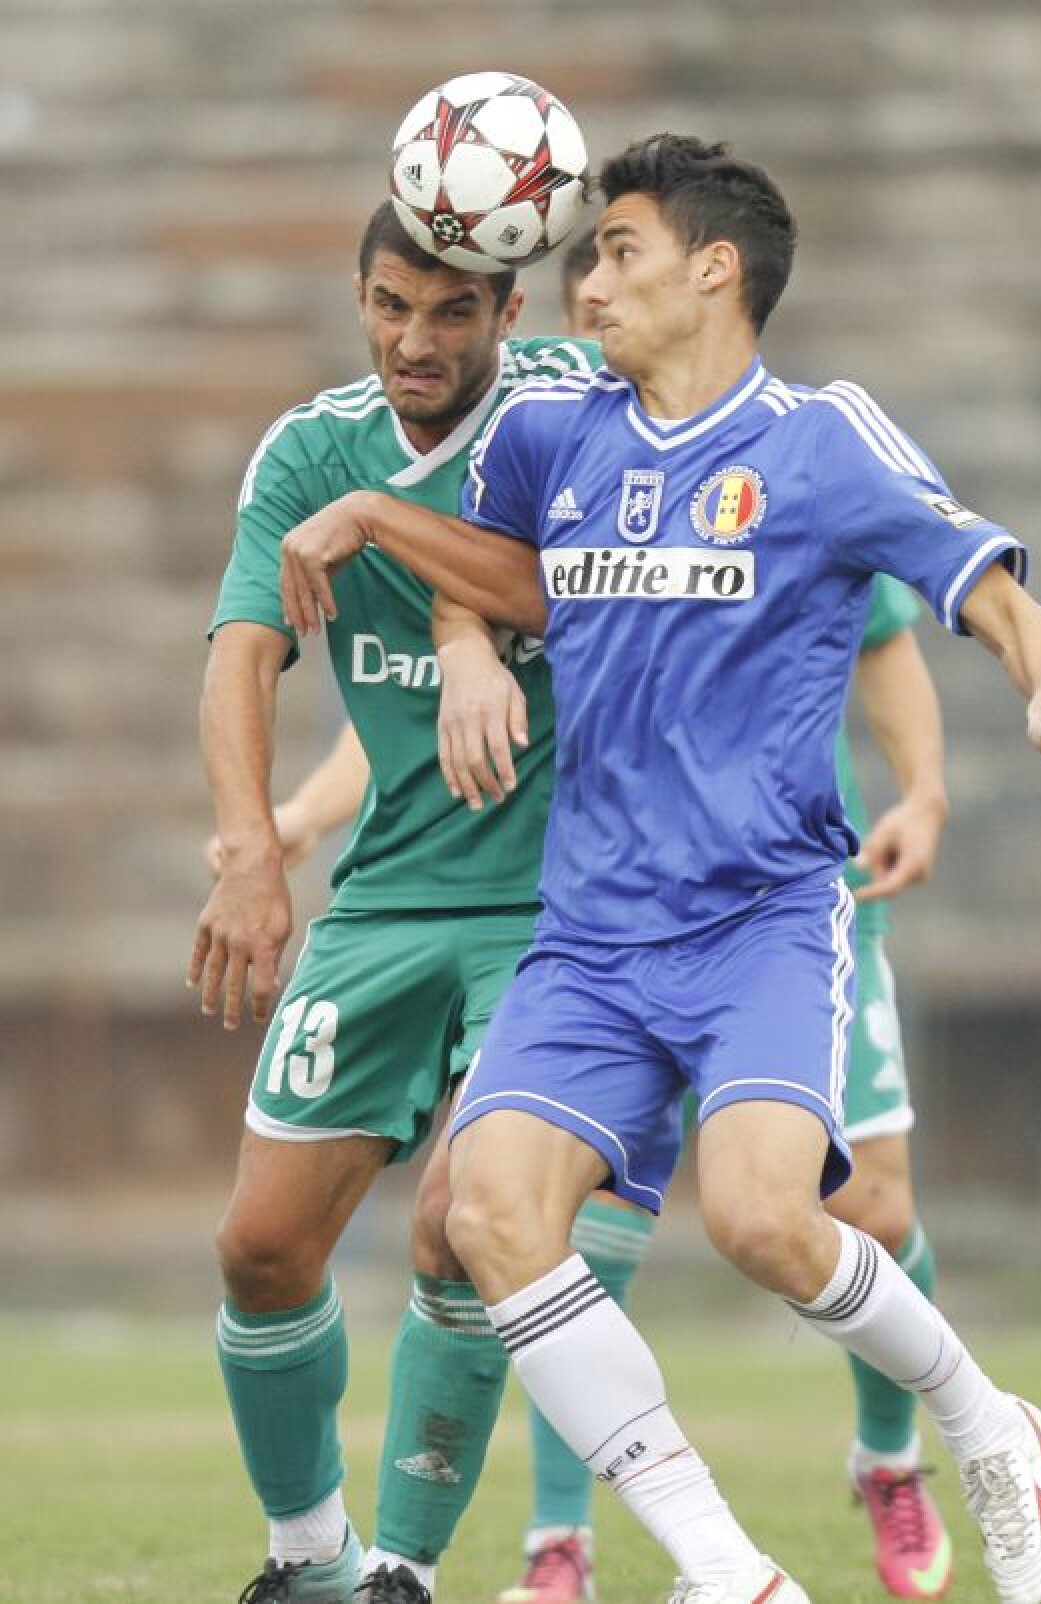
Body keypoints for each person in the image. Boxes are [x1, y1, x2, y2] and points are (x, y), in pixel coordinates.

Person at [275, 134, 1041, 1604]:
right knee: (489, 1215)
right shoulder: (557, 437)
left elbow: (995, 600)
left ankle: (988, 1421)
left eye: (614, 250)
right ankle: (730, 1571)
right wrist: (387, 534)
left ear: (713, 269)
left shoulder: (823, 443)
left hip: (758, 918)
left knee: (764, 1220)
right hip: (589, 932)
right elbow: (501, 585)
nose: (586, 281)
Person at [187, 199, 599, 1604]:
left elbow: (559, 580)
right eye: (387, 307)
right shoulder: (310, 448)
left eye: (449, 313)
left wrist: (446, 600)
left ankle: (404, 1575)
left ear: (510, 315)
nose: (412, 341)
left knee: (462, 1221)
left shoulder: (570, 409)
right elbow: (244, 650)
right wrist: (253, 846)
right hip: (385, 904)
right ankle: (310, 1560)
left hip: (559, 904)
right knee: (259, 1246)